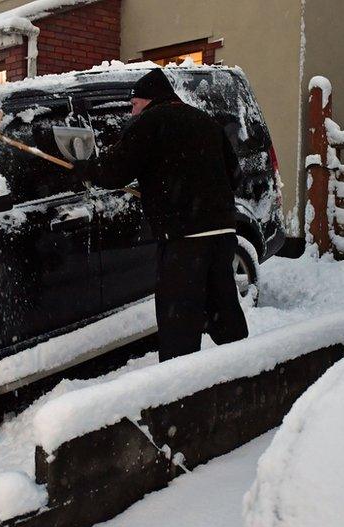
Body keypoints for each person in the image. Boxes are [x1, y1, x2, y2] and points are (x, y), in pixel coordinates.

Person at [78, 68, 249, 361]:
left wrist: (85, 168)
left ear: (148, 100)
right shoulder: (206, 121)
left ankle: (179, 394)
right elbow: (234, 177)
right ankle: (245, 367)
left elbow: (113, 172)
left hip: (184, 240)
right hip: (222, 234)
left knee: (178, 320)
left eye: (133, 105)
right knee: (223, 309)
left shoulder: (150, 122)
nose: (132, 113)